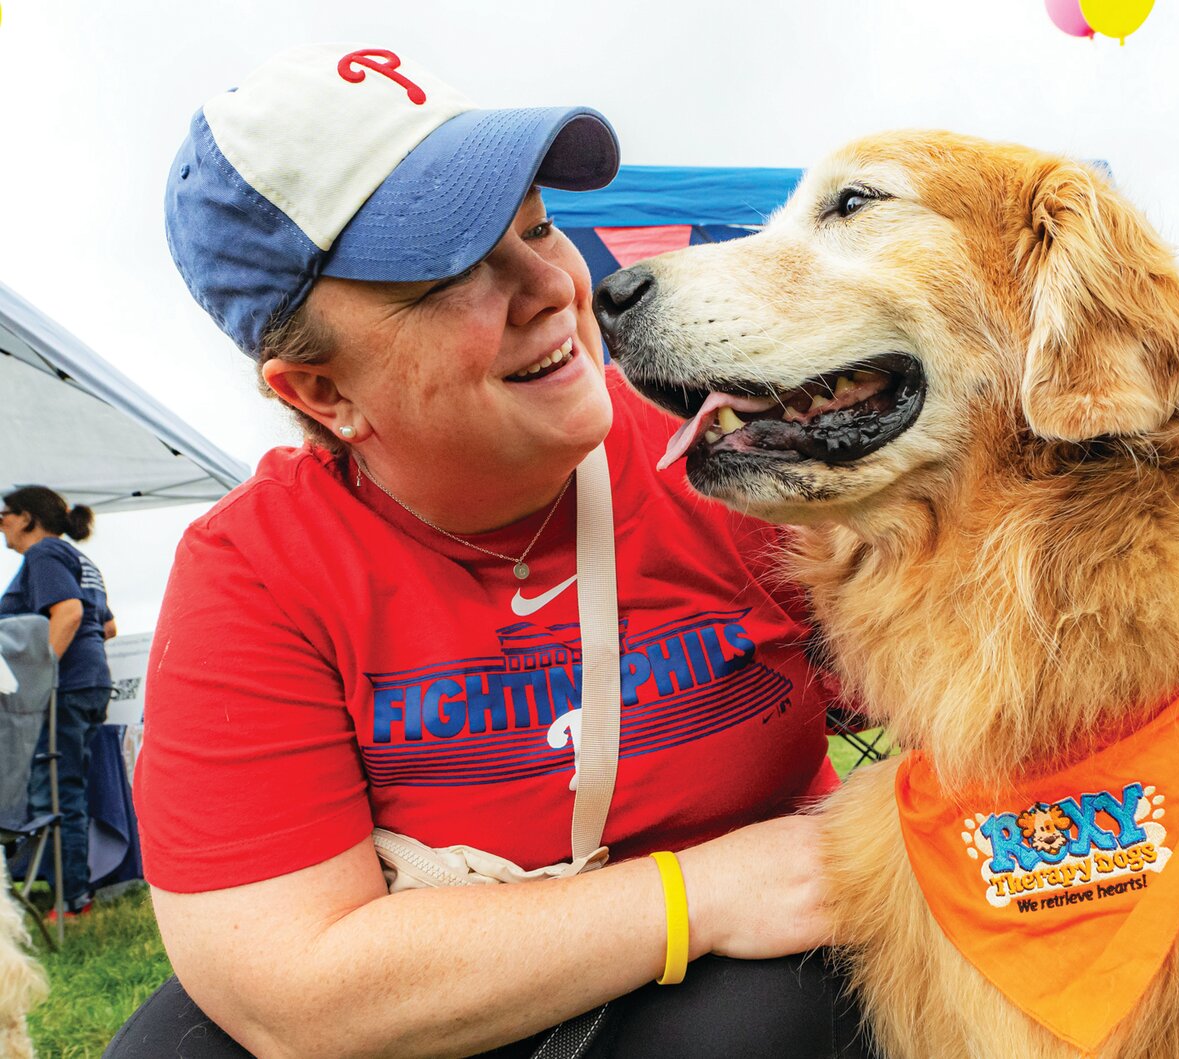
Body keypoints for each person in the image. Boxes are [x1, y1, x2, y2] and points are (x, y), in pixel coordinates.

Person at [108, 45, 865, 1059]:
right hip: (464, 988)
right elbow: (292, 988)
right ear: (321, 395)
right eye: (447, 275)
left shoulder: (730, 466)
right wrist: (701, 893)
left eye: (541, 228)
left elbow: (1019, 706)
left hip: (732, 1006)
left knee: (780, 1019)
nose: (555, 286)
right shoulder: (256, 572)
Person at [0, 485, 117, 917]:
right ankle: (70, 892)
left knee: (53, 792)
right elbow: (107, 627)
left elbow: (68, 613)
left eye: (4, 515)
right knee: (66, 787)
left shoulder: (43, 555)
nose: (2, 525)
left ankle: (71, 900)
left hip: (62, 690)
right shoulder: (79, 558)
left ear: (27, 517)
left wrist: (36, 679)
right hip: (88, 684)